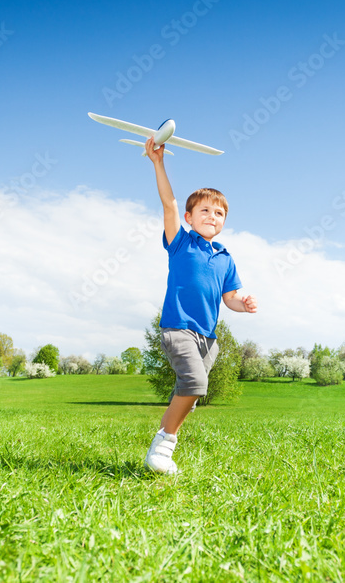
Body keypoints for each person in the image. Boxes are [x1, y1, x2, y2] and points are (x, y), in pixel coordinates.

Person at [142, 135, 258, 474]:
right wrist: (158, 162)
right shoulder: (180, 243)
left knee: (190, 395)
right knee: (195, 384)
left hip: (208, 339)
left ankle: (164, 438)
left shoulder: (225, 258)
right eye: (204, 210)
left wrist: (244, 303)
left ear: (224, 222)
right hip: (178, 328)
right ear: (190, 218)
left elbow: (230, 298)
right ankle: (162, 448)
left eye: (219, 212)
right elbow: (169, 205)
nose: (212, 215)